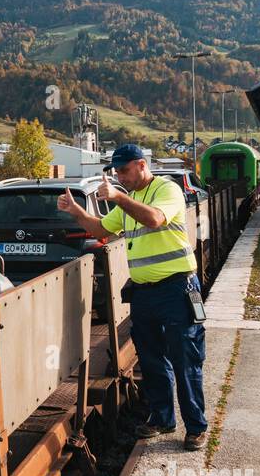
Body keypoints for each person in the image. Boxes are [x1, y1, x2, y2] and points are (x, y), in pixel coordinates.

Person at [57, 144, 208, 450]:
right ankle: (163, 419)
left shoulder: (167, 190)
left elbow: (154, 219)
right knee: (152, 359)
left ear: (141, 165)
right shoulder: (129, 200)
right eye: (115, 173)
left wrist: (117, 196)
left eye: (123, 171)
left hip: (178, 289)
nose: (119, 177)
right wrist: (76, 212)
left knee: (185, 358)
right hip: (144, 293)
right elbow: (100, 230)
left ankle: (196, 426)